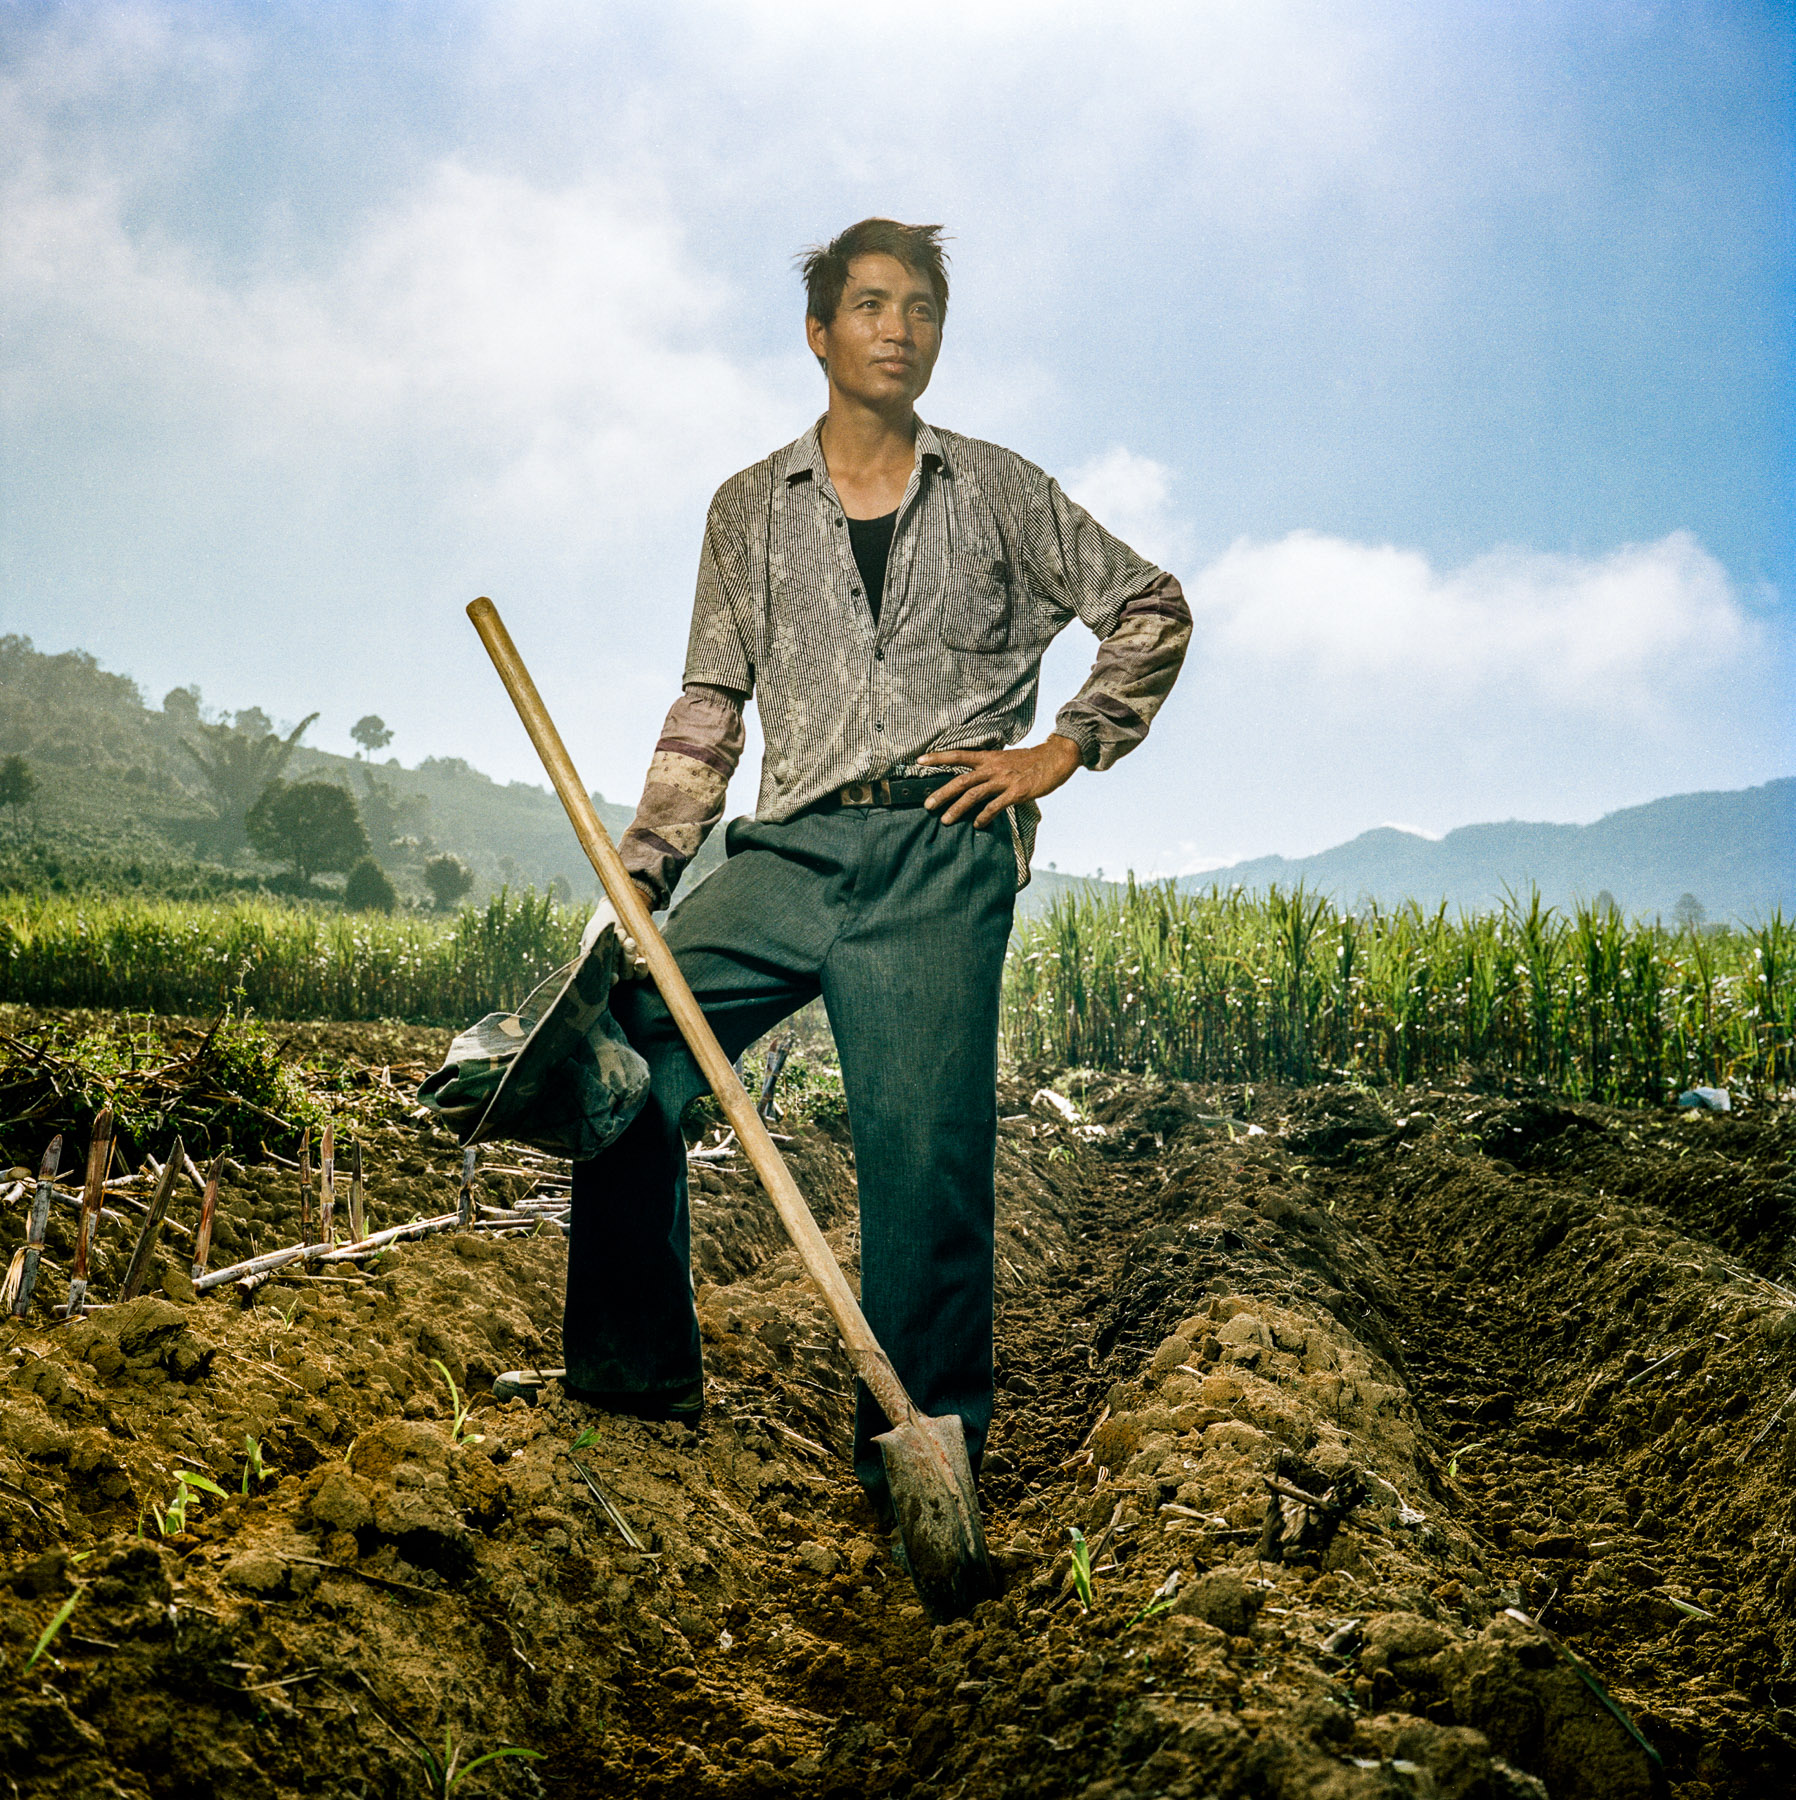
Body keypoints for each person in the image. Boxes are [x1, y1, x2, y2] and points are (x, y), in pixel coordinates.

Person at [551, 218, 1190, 1526]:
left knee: (925, 1168)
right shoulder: (746, 508)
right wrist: (648, 870)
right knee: (620, 1054)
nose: (899, 327)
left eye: (923, 309)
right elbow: (710, 703)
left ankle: (924, 1465)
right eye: (872, 304)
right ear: (820, 334)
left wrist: (1064, 747)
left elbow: (1150, 604)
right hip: (789, 847)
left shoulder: (1003, 491)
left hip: (939, 858)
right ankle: (635, 1393)